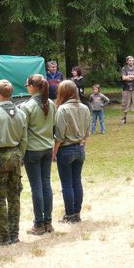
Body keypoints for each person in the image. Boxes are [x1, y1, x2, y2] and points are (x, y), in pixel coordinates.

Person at [0, 80, 27, 245]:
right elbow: (24, 140)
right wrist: (19, 158)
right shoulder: (21, 113)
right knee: (14, 197)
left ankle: (3, 236)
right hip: (15, 155)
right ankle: (13, 234)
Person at [19, 75, 56, 235]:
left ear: (33, 87)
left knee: (37, 187)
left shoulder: (27, 106)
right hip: (47, 148)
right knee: (46, 184)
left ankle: (38, 224)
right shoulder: (51, 104)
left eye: (27, 85)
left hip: (33, 151)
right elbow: (53, 126)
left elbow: (22, 132)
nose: (26, 87)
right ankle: (48, 222)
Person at [53, 80, 90, 223]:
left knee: (67, 184)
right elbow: (87, 132)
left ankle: (69, 214)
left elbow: (59, 136)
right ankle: (77, 213)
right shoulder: (85, 108)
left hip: (66, 149)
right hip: (80, 147)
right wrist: (82, 145)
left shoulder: (62, 109)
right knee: (77, 181)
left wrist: (54, 152)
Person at [120, 56, 134, 124]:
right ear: (127, 61)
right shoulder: (124, 68)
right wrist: (133, 77)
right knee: (125, 103)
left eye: (132, 60)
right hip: (126, 88)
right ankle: (124, 118)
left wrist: (128, 77)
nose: (131, 62)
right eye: (130, 60)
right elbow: (123, 78)